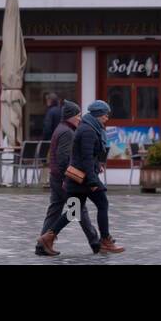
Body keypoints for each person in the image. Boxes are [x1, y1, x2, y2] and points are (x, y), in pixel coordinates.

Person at [40, 100, 125, 256]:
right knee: (102, 203)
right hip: (83, 178)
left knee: (74, 211)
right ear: (98, 114)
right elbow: (85, 158)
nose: (107, 117)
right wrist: (93, 181)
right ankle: (104, 241)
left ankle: (47, 237)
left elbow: (91, 154)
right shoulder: (87, 130)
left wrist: (99, 162)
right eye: (106, 114)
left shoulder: (91, 128)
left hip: (79, 178)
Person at [34, 101, 99, 256]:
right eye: (78, 116)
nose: (80, 119)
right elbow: (64, 158)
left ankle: (41, 245)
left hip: (56, 177)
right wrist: (67, 178)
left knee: (55, 211)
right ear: (70, 117)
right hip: (63, 179)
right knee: (78, 209)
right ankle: (96, 243)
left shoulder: (61, 129)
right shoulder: (67, 132)